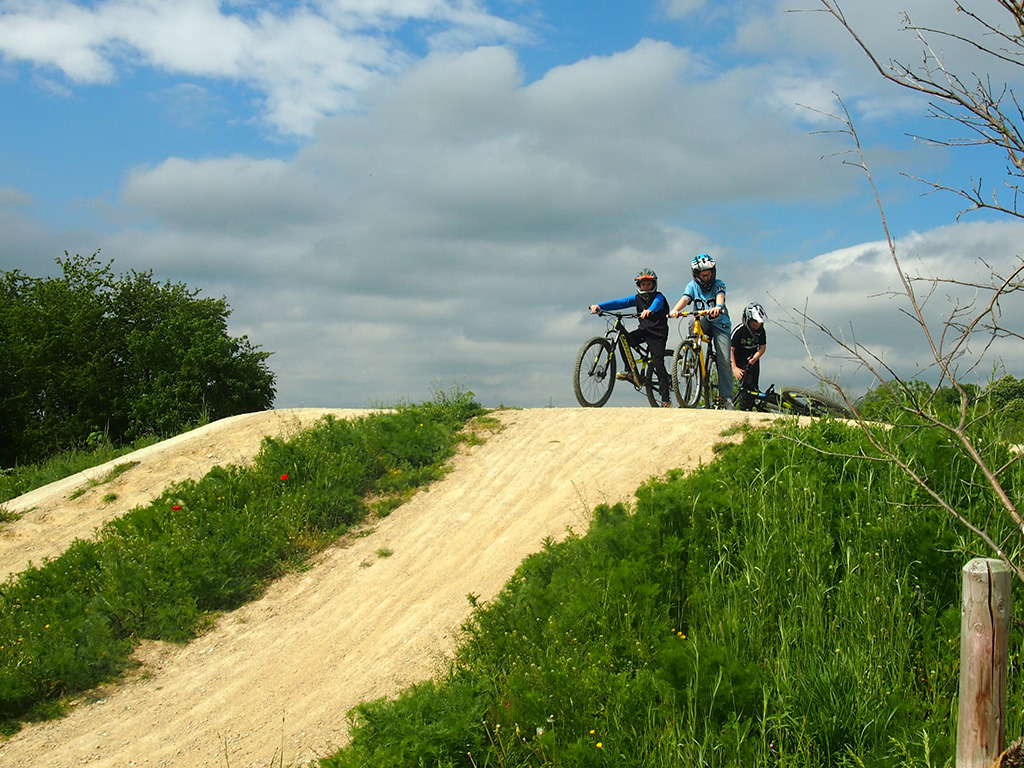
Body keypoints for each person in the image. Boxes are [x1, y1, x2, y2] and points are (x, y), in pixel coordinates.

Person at [590, 268, 672, 407]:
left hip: (658, 334)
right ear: (639, 285)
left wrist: (649, 310)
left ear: (654, 284)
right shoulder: (637, 298)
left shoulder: (659, 297)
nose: (646, 287)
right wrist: (599, 306)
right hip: (643, 331)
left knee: (658, 363)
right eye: (643, 284)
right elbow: (619, 303)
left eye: (649, 284)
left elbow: (657, 305)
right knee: (623, 340)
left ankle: (665, 399)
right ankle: (629, 371)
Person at [669, 253, 734, 409]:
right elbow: (686, 298)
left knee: (724, 360)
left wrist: (718, 307)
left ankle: (727, 398)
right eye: (703, 275)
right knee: (693, 322)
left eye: (709, 274)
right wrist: (676, 310)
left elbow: (720, 296)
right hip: (702, 320)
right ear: (696, 275)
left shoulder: (718, 284)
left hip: (720, 324)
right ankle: (691, 356)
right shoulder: (692, 286)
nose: (706, 277)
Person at [731, 302, 768, 411]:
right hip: (739, 359)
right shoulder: (739, 331)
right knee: (745, 385)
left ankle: (751, 406)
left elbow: (762, 347)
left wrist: (755, 358)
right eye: (754, 325)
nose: (756, 328)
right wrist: (734, 368)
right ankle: (744, 408)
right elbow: (730, 350)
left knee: (754, 385)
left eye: (759, 325)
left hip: (753, 358)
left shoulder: (761, 332)